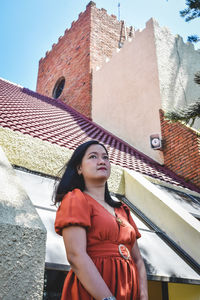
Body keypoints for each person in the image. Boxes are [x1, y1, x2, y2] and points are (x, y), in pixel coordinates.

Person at [54, 140, 148, 300]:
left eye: (105, 157)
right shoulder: (75, 198)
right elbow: (76, 255)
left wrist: (143, 296)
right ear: (79, 168)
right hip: (92, 292)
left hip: (129, 292)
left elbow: (138, 259)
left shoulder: (123, 209)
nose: (102, 161)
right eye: (93, 156)